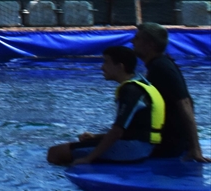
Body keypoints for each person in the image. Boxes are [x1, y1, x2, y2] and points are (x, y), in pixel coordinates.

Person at [47, 46, 164, 165]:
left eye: (106, 62)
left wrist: (88, 158)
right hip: (145, 146)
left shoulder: (130, 91)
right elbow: (132, 129)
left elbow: (118, 131)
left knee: (55, 153)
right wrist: (96, 137)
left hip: (133, 149)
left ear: (120, 67)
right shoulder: (141, 83)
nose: (102, 67)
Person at [133, 22, 209, 162]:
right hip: (167, 140)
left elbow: (185, 103)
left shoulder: (161, 67)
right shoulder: (157, 65)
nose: (132, 41)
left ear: (149, 44)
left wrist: (195, 148)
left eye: (137, 38)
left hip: (168, 144)